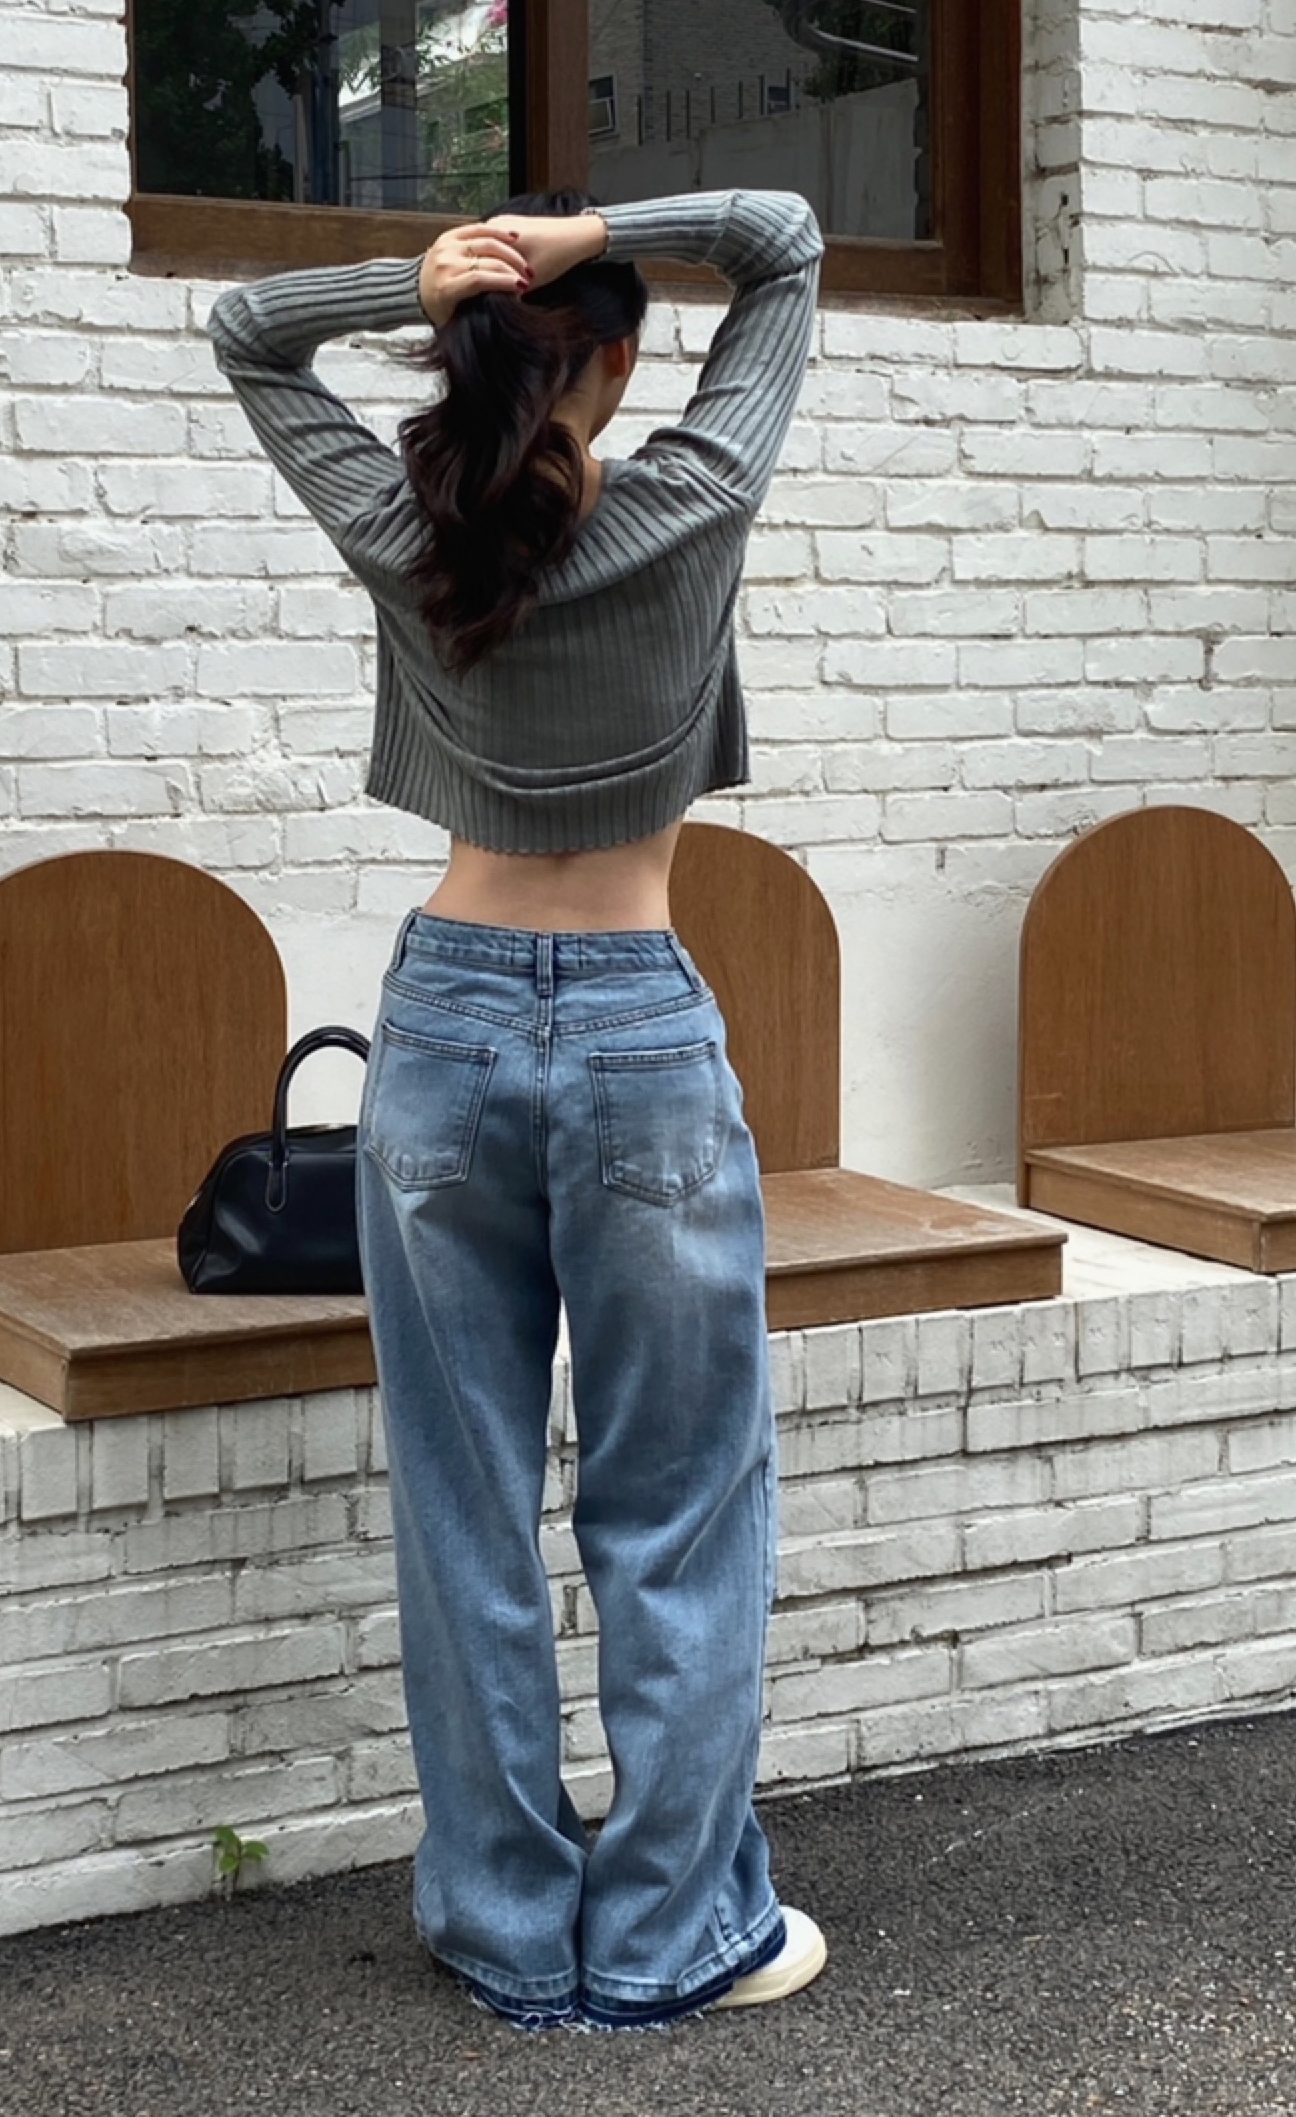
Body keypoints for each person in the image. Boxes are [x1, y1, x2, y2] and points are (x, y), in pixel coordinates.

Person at [208, 187, 824, 2029]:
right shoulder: (692, 502)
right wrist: (592, 227)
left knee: (461, 1503)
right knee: (678, 1508)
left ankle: (502, 1926)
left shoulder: (406, 527)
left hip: (446, 1027)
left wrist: (415, 279)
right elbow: (784, 238)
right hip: (636, 1024)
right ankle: (666, 1939)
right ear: (617, 362)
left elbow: (245, 331)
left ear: (459, 355)